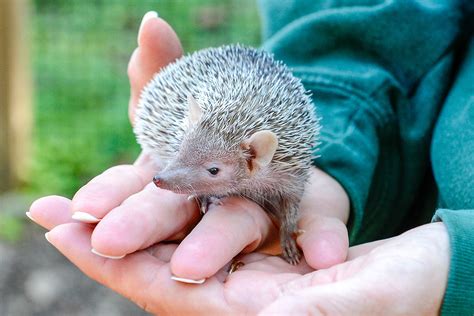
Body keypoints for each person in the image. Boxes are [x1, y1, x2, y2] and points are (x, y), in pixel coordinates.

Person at [28, 1, 473, 314]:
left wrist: (460, 264)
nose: (167, 179)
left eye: (214, 171)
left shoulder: (282, 174)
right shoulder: (207, 150)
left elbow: (292, 199)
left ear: (256, 160)